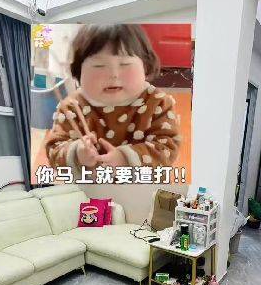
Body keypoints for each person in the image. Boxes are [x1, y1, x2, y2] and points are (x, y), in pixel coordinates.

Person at [45, 24, 181, 173]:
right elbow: (54, 151)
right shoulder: (72, 107)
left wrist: (125, 158)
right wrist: (78, 153)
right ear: (78, 71)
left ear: (146, 66)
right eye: (99, 66)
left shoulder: (158, 103)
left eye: (125, 64)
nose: (113, 74)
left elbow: (168, 148)